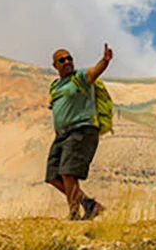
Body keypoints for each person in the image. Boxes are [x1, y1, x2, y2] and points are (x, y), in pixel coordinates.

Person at [46, 45, 111, 220]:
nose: (67, 62)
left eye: (69, 58)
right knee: (53, 176)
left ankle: (74, 213)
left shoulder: (80, 77)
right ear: (55, 66)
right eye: (62, 60)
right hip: (62, 135)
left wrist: (104, 61)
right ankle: (89, 204)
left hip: (81, 130)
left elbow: (94, 73)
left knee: (68, 172)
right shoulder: (55, 87)